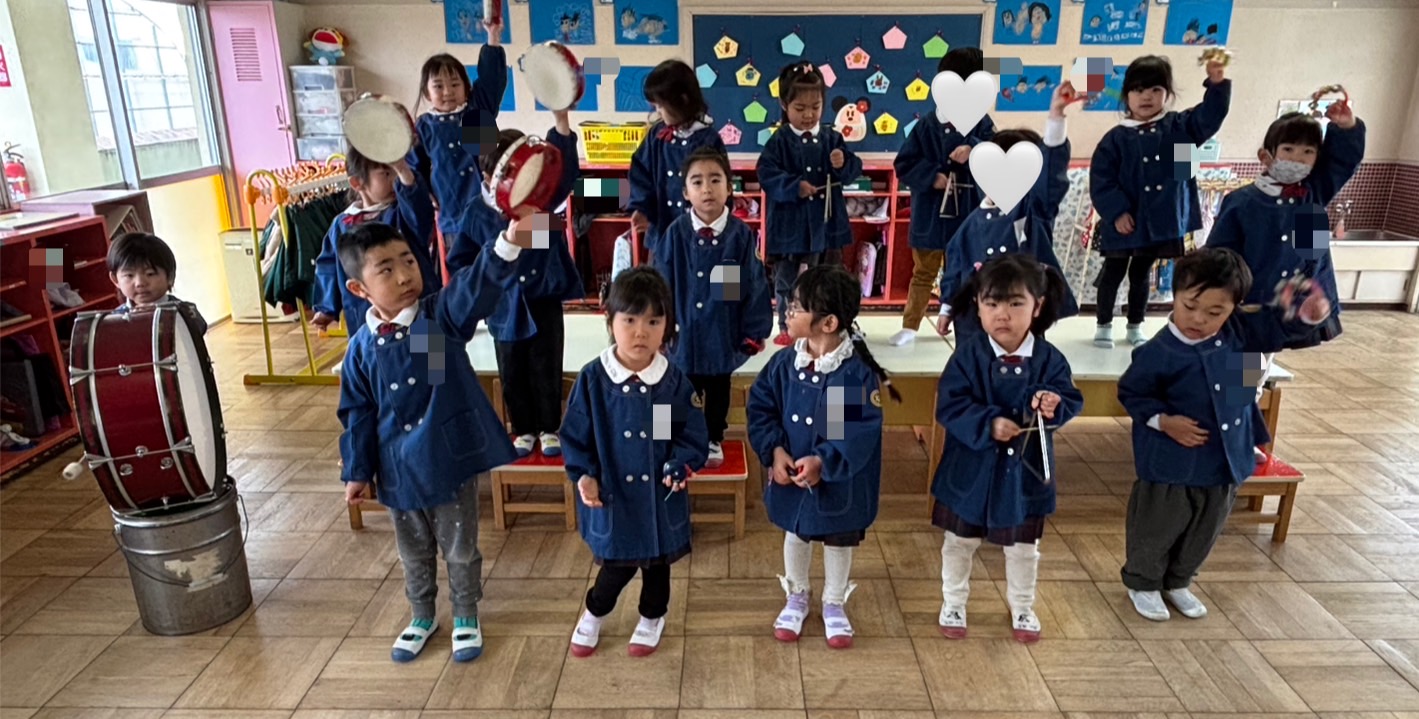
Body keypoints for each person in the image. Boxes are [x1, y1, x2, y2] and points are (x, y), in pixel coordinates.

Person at [337, 216, 535, 663]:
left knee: (460, 548)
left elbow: (473, 290)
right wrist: (357, 471)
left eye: (408, 260)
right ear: (359, 289)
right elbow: (357, 413)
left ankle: (465, 614)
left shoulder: (434, 323)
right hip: (396, 469)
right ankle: (422, 614)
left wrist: (507, 243)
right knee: (413, 550)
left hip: (447, 460)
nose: (404, 275)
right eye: (386, 269)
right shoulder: (360, 349)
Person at [1116, 248, 1332, 621]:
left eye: (1215, 312)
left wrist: (1306, 314)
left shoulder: (1238, 336)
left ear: (1234, 309)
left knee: (1205, 527)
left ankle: (1179, 580)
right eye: (1190, 306)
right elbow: (1132, 393)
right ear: (1175, 296)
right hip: (1172, 463)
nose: (1199, 319)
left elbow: (1276, 335)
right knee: (1158, 525)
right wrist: (1164, 422)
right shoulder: (1157, 352)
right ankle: (1144, 582)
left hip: (1224, 460)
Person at [747, 265, 901, 649]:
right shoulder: (785, 363)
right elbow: (762, 408)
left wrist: (822, 461)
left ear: (828, 323)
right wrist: (775, 450)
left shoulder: (850, 373)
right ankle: (797, 594)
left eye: (796, 307)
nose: (786, 311)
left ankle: (834, 601)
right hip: (791, 474)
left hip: (835, 482)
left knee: (837, 539)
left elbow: (849, 432)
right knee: (796, 532)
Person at [932, 254, 1082, 643]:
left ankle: (1023, 606)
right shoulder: (968, 355)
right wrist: (988, 423)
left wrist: (1053, 404)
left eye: (1015, 303)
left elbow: (1068, 398)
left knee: (1023, 547)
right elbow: (949, 405)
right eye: (992, 303)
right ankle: (953, 601)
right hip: (971, 471)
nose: (1003, 314)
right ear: (978, 307)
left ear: (1038, 306)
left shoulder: (1049, 358)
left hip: (1024, 477)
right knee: (959, 542)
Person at [560, 266, 709, 659]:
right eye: (629, 320)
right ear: (610, 321)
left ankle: (652, 617)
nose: (641, 332)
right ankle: (595, 610)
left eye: (653, 321)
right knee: (617, 564)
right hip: (614, 497)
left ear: (667, 327)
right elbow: (575, 439)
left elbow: (686, 436)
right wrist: (585, 475)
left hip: (659, 498)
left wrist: (680, 462)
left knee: (658, 565)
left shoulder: (671, 383)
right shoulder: (593, 380)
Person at [445, 108, 581, 457]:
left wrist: (561, 122)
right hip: (503, 307)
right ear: (488, 176)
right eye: (509, 173)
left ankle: (549, 428)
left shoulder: (541, 202)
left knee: (546, 364)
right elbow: (460, 260)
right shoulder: (476, 211)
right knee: (512, 369)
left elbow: (565, 173)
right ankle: (523, 428)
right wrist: (479, 288)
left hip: (542, 299)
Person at [1090, 53, 1231, 348]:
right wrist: (1117, 212)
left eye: (1156, 89)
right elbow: (1102, 180)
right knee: (1113, 272)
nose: (1147, 97)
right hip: (1125, 222)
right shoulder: (1115, 138)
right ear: (1127, 96)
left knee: (1141, 273)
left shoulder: (1180, 127)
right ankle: (1103, 324)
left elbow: (1210, 116)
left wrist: (1217, 83)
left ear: (1167, 94)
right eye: (1138, 90)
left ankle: (1135, 324)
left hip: (1161, 221)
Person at [1207, 102, 1365, 363]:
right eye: (1288, 149)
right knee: (1248, 358)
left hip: (1301, 300)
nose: (1297, 158)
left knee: (1265, 357)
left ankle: (1253, 386)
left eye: (1308, 152)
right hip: (1254, 300)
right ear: (1266, 156)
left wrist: (1347, 128)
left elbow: (1343, 162)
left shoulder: (1314, 193)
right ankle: (1246, 387)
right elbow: (1220, 253)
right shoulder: (1242, 201)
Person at [650, 146, 772, 467]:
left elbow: (754, 286)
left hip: (722, 333)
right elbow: (659, 285)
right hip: (681, 336)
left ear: (729, 188)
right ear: (685, 192)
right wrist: (656, 328)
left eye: (716, 180)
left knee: (718, 391)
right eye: (697, 181)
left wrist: (753, 332)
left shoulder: (740, 236)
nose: (707, 188)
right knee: (673, 390)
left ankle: (714, 437)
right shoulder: (674, 235)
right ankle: (671, 440)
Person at [935, 82, 1082, 344]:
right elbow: (955, 267)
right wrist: (947, 308)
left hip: (1021, 316)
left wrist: (1056, 117)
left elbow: (1050, 179)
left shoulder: (1033, 208)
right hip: (973, 317)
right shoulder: (972, 222)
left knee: (1024, 361)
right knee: (972, 362)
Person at [890, 47, 996, 347]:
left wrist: (974, 148)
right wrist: (931, 177)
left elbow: (997, 151)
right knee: (923, 271)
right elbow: (904, 164)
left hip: (966, 214)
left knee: (964, 271)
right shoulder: (927, 125)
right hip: (931, 213)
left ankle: (959, 321)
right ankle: (910, 325)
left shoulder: (982, 123)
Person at [758, 62, 862, 345]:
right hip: (789, 226)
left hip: (826, 225)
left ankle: (830, 322)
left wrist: (843, 162)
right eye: (800, 108)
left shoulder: (832, 138)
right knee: (787, 279)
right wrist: (794, 187)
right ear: (784, 105)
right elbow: (766, 174)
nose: (808, 115)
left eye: (815, 107)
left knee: (827, 277)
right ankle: (787, 325)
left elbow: (853, 170)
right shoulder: (779, 141)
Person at [312, 148, 440, 333]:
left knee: (428, 350)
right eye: (387, 173)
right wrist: (326, 308)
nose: (395, 179)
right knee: (375, 348)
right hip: (364, 313)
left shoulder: (403, 211)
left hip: (416, 306)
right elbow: (328, 266)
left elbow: (421, 215)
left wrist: (404, 171)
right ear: (357, 182)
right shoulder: (341, 225)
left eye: (396, 173)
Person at [406, 27, 508, 259]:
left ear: (466, 87)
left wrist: (493, 37)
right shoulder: (424, 127)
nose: (448, 92)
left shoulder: (476, 113)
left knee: (499, 265)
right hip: (454, 218)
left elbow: (492, 81)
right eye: (438, 86)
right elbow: (414, 168)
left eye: (455, 84)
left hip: (491, 213)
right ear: (426, 93)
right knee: (464, 271)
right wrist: (426, 194)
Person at [628, 60, 727, 262]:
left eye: (661, 106)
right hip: (661, 233)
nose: (658, 112)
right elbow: (640, 174)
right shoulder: (657, 136)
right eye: (655, 107)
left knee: (699, 277)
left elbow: (719, 184)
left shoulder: (708, 139)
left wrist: (714, 222)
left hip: (698, 236)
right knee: (658, 280)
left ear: (682, 100)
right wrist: (643, 208)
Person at [108, 232, 208, 334]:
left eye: (150, 274)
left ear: (170, 277)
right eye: (129, 275)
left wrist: (161, 314)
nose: (140, 283)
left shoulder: (185, 310)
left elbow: (199, 328)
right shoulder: (115, 317)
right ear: (115, 280)